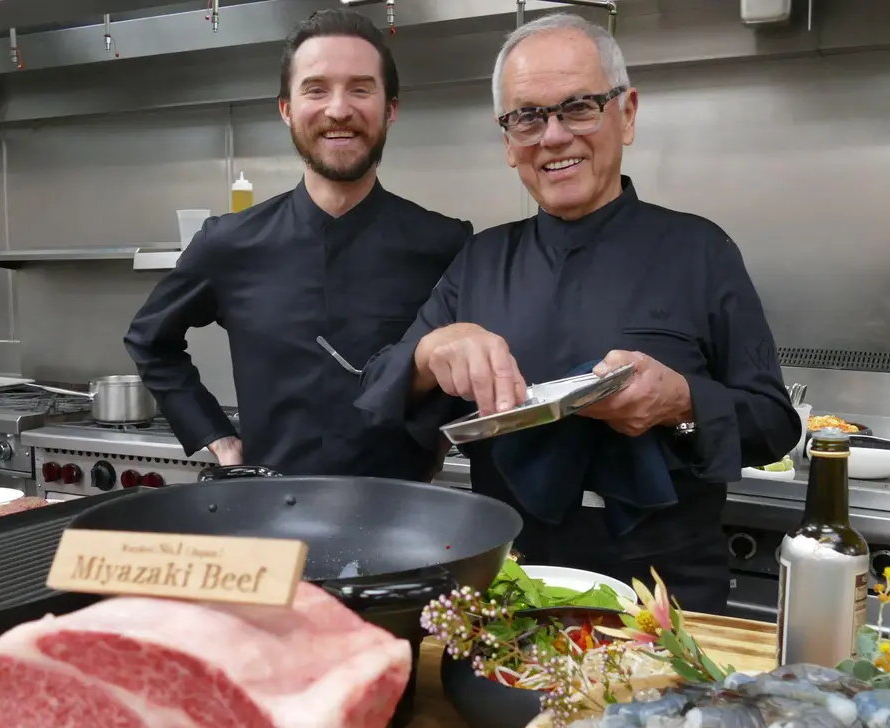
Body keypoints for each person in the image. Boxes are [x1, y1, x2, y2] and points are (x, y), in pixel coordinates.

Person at [356, 14, 800, 613]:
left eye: (579, 107)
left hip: (665, 593)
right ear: (509, 142)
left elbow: (772, 423)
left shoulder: (701, 251)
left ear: (628, 114)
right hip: (510, 583)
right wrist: (430, 355)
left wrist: (682, 404)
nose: (554, 136)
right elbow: (380, 390)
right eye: (528, 117)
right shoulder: (481, 260)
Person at [125, 9, 471, 477]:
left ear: (391, 108)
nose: (338, 109)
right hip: (270, 516)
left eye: (360, 88)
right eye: (316, 89)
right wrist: (215, 435)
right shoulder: (228, 243)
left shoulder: (446, 244)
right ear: (286, 109)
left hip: (404, 519)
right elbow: (150, 340)